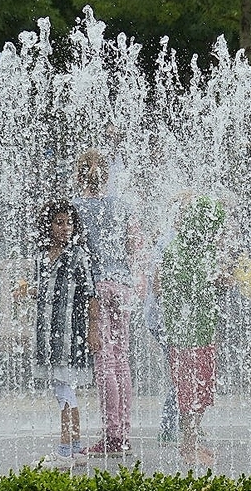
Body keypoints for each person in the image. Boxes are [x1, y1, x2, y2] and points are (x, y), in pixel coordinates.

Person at [14, 198, 99, 469]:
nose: (64, 228)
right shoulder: (41, 257)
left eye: (69, 223)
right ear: (48, 226)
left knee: (65, 390)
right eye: (58, 223)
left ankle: (65, 451)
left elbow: (91, 295)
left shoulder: (79, 256)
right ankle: (76, 449)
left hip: (69, 333)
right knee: (61, 389)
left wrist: (92, 330)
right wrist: (26, 291)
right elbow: (44, 290)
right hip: (47, 333)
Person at [73, 149, 143, 456]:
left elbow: (76, 253)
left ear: (79, 175)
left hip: (97, 288)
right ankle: (123, 432)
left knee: (104, 363)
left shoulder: (76, 208)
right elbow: (133, 246)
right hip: (122, 286)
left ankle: (112, 436)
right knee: (122, 360)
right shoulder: (123, 206)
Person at [158, 195, 231, 466]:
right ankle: (188, 447)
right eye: (214, 227)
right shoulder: (179, 250)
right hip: (185, 337)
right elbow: (178, 288)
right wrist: (217, 279)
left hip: (202, 332)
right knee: (189, 393)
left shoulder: (203, 250)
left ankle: (193, 443)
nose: (218, 233)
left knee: (201, 391)